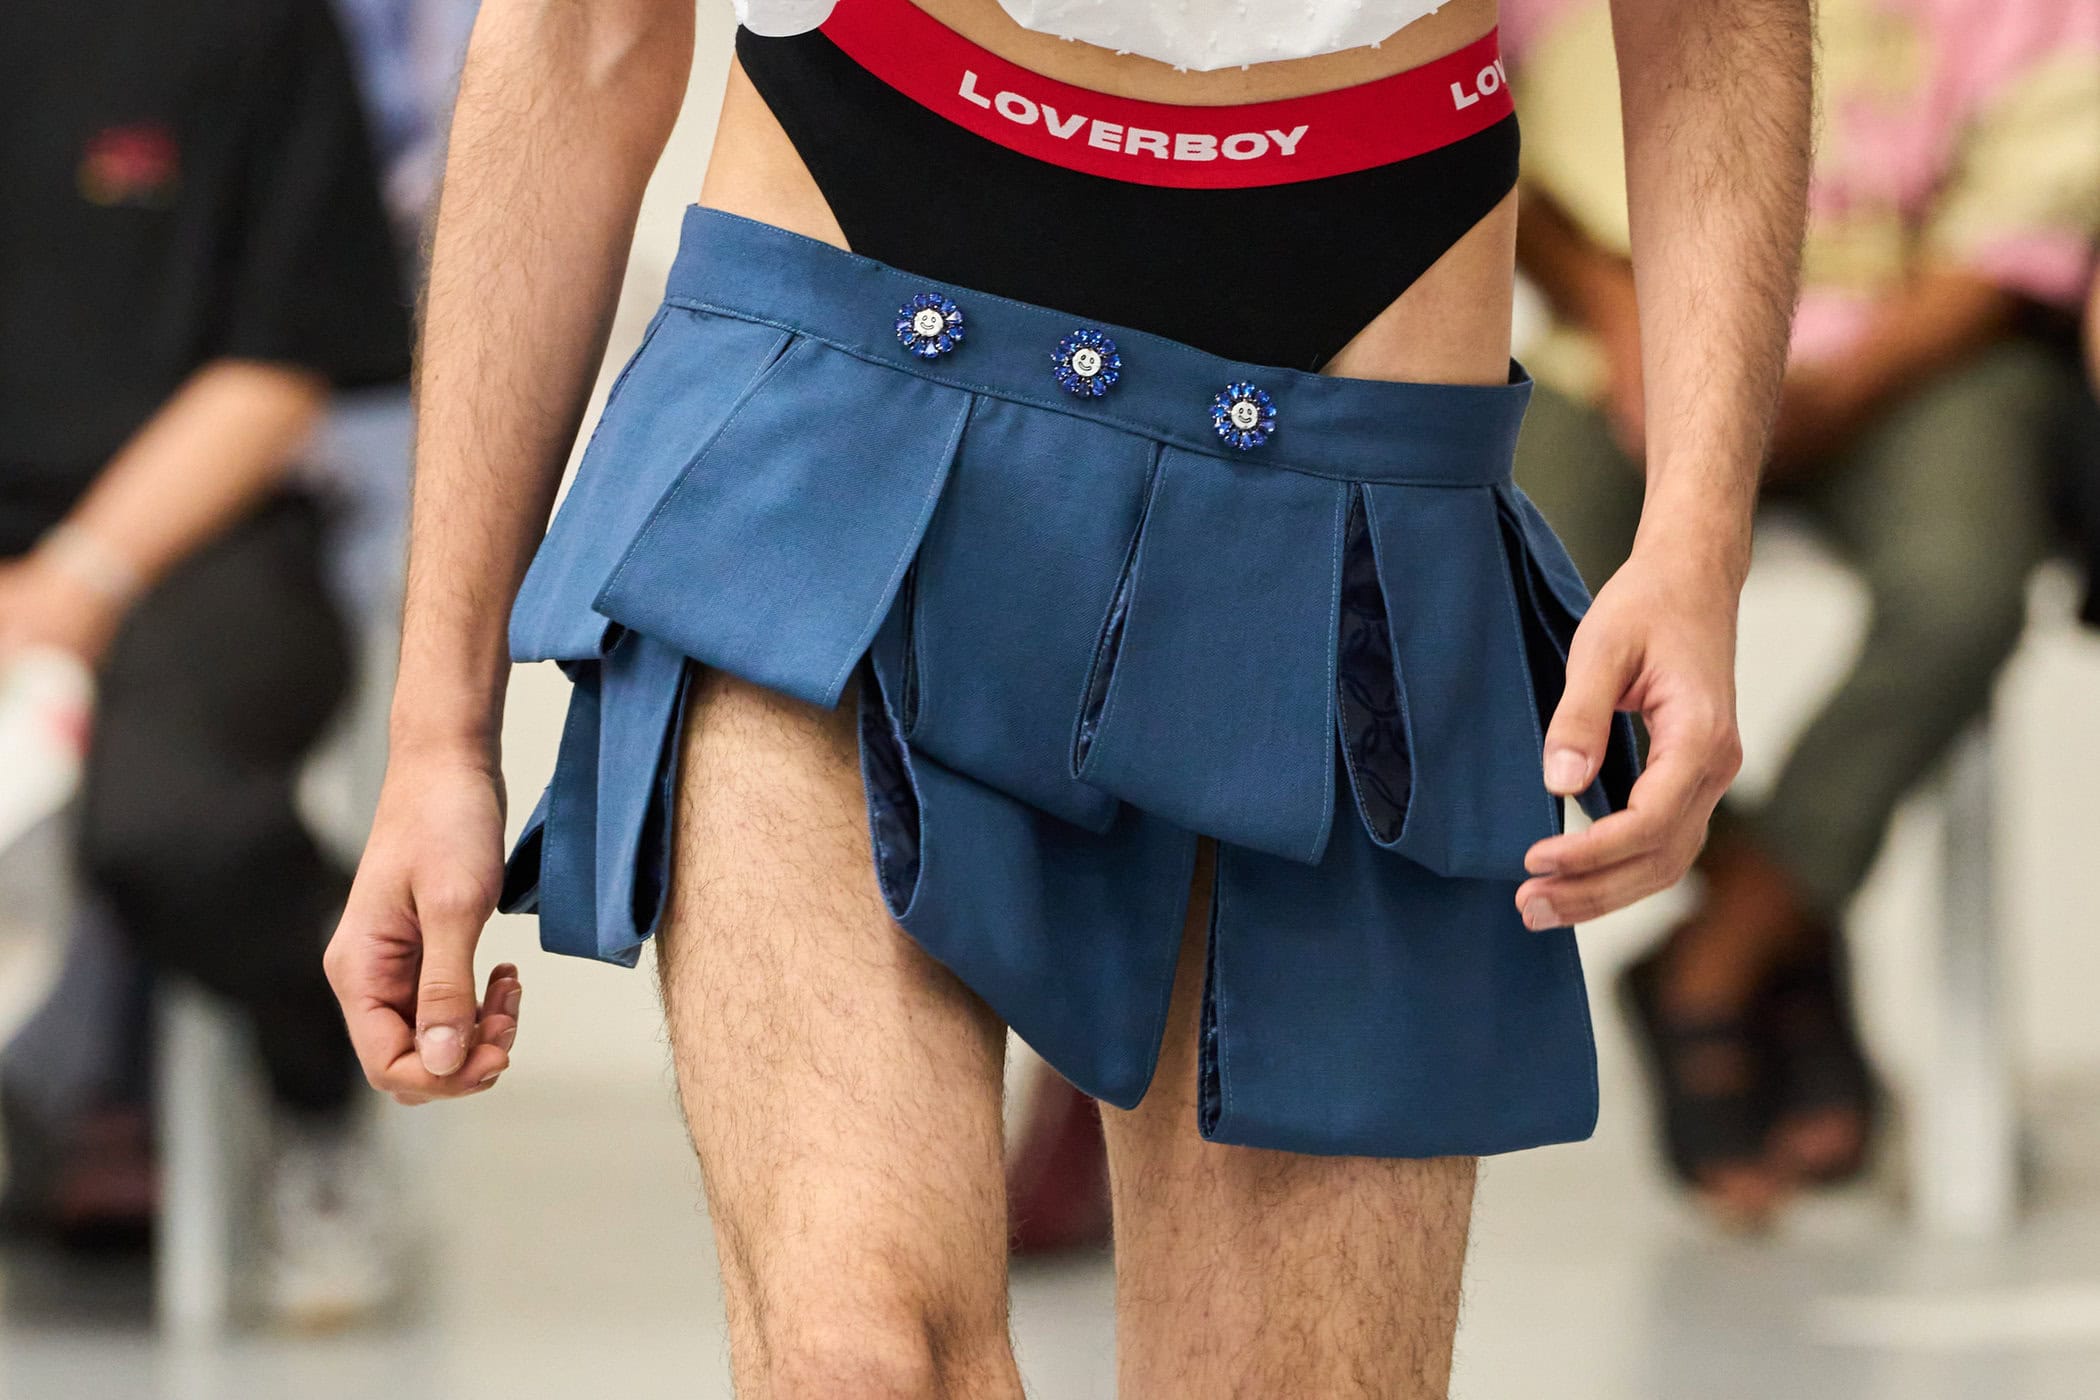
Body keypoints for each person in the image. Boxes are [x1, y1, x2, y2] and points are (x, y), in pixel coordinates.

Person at [325, 0, 1810, 1391]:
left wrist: (1699, 536)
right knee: (856, 1360)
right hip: (845, 325)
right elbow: (579, 37)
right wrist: (438, 734)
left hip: (1360, 419)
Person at [1502, 0, 2100, 1227]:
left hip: (1915, 351)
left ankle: (1723, 952)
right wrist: (1628, 318)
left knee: (1962, 586)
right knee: (1512, 594)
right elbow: (1482, 143)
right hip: (1622, 342)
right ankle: (1776, 920)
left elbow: (2033, 219)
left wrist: (1820, 384)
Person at [0, 0, 414, 1321]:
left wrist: (76, 578)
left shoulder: (255, 30)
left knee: (175, 824)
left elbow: (281, 367)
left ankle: (320, 1095)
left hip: (203, 537)